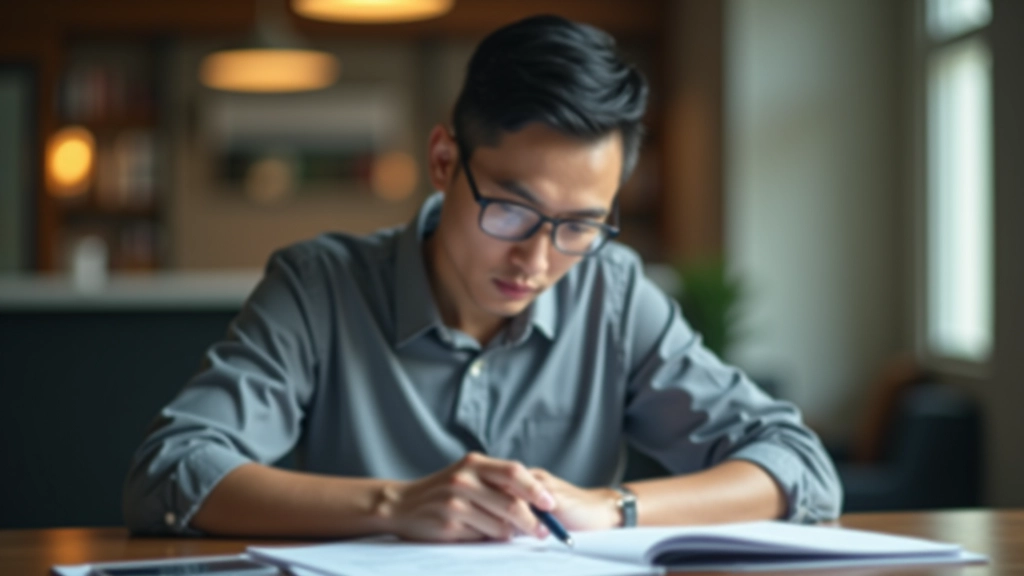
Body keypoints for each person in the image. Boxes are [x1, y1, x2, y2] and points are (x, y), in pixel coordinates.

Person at [123, 14, 841, 541]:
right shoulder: (320, 287)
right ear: (444, 162)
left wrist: (612, 507)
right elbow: (172, 470)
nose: (536, 260)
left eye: (580, 225)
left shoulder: (613, 293)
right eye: (511, 209)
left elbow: (798, 465)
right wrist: (396, 505)